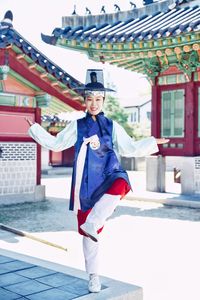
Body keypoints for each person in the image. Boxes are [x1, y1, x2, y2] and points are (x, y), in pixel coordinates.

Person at [25, 70, 168, 293]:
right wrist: (35, 129)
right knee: (90, 236)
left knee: (122, 182)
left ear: (104, 101)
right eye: (90, 99)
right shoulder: (77, 126)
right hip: (86, 182)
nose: (94, 103)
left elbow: (129, 147)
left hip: (109, 173)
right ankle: (93, 275)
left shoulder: (112, 126)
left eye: (98, 99)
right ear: (85, 101)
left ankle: (95, 219)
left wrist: (152, 142)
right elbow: (56, 144)